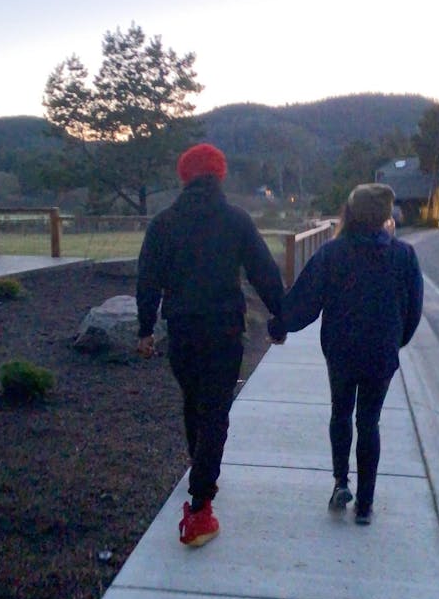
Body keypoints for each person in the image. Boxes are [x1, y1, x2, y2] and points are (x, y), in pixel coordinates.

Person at [136, 143, 285, 546]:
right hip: (223, 331)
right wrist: (281, 316)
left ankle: (200, 470)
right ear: (219, 176)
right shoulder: (236, 220)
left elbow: (147, 279)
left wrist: (145, 328)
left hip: (181, 331)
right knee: (215, 411)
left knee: (194, 402)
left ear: (184, 177)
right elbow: (263, 271)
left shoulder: (163, 223)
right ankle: (200, 507)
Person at [268, 183, 423, 525]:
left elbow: (305, 302)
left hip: (341, 351)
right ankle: (365, 505)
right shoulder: (404, 256)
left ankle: (341, 482)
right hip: (381, 353)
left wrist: (280, 326)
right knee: (370, 422)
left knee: (341, 414)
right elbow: (413, 311)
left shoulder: (332, 253)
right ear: (385, 216)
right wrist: (396, 342)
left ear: (349, 213)